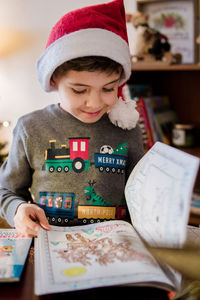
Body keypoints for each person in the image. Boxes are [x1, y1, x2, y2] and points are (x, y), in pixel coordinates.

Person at [0, 0, 144, 237]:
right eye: (79, 90)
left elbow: (142, 193)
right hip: (50, 244)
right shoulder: (31, 128)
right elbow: (5, 190)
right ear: (54, 79)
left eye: (108, 89)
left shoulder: (126, 128)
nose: (95, 103)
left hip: (116, 247)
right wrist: (18, 209)